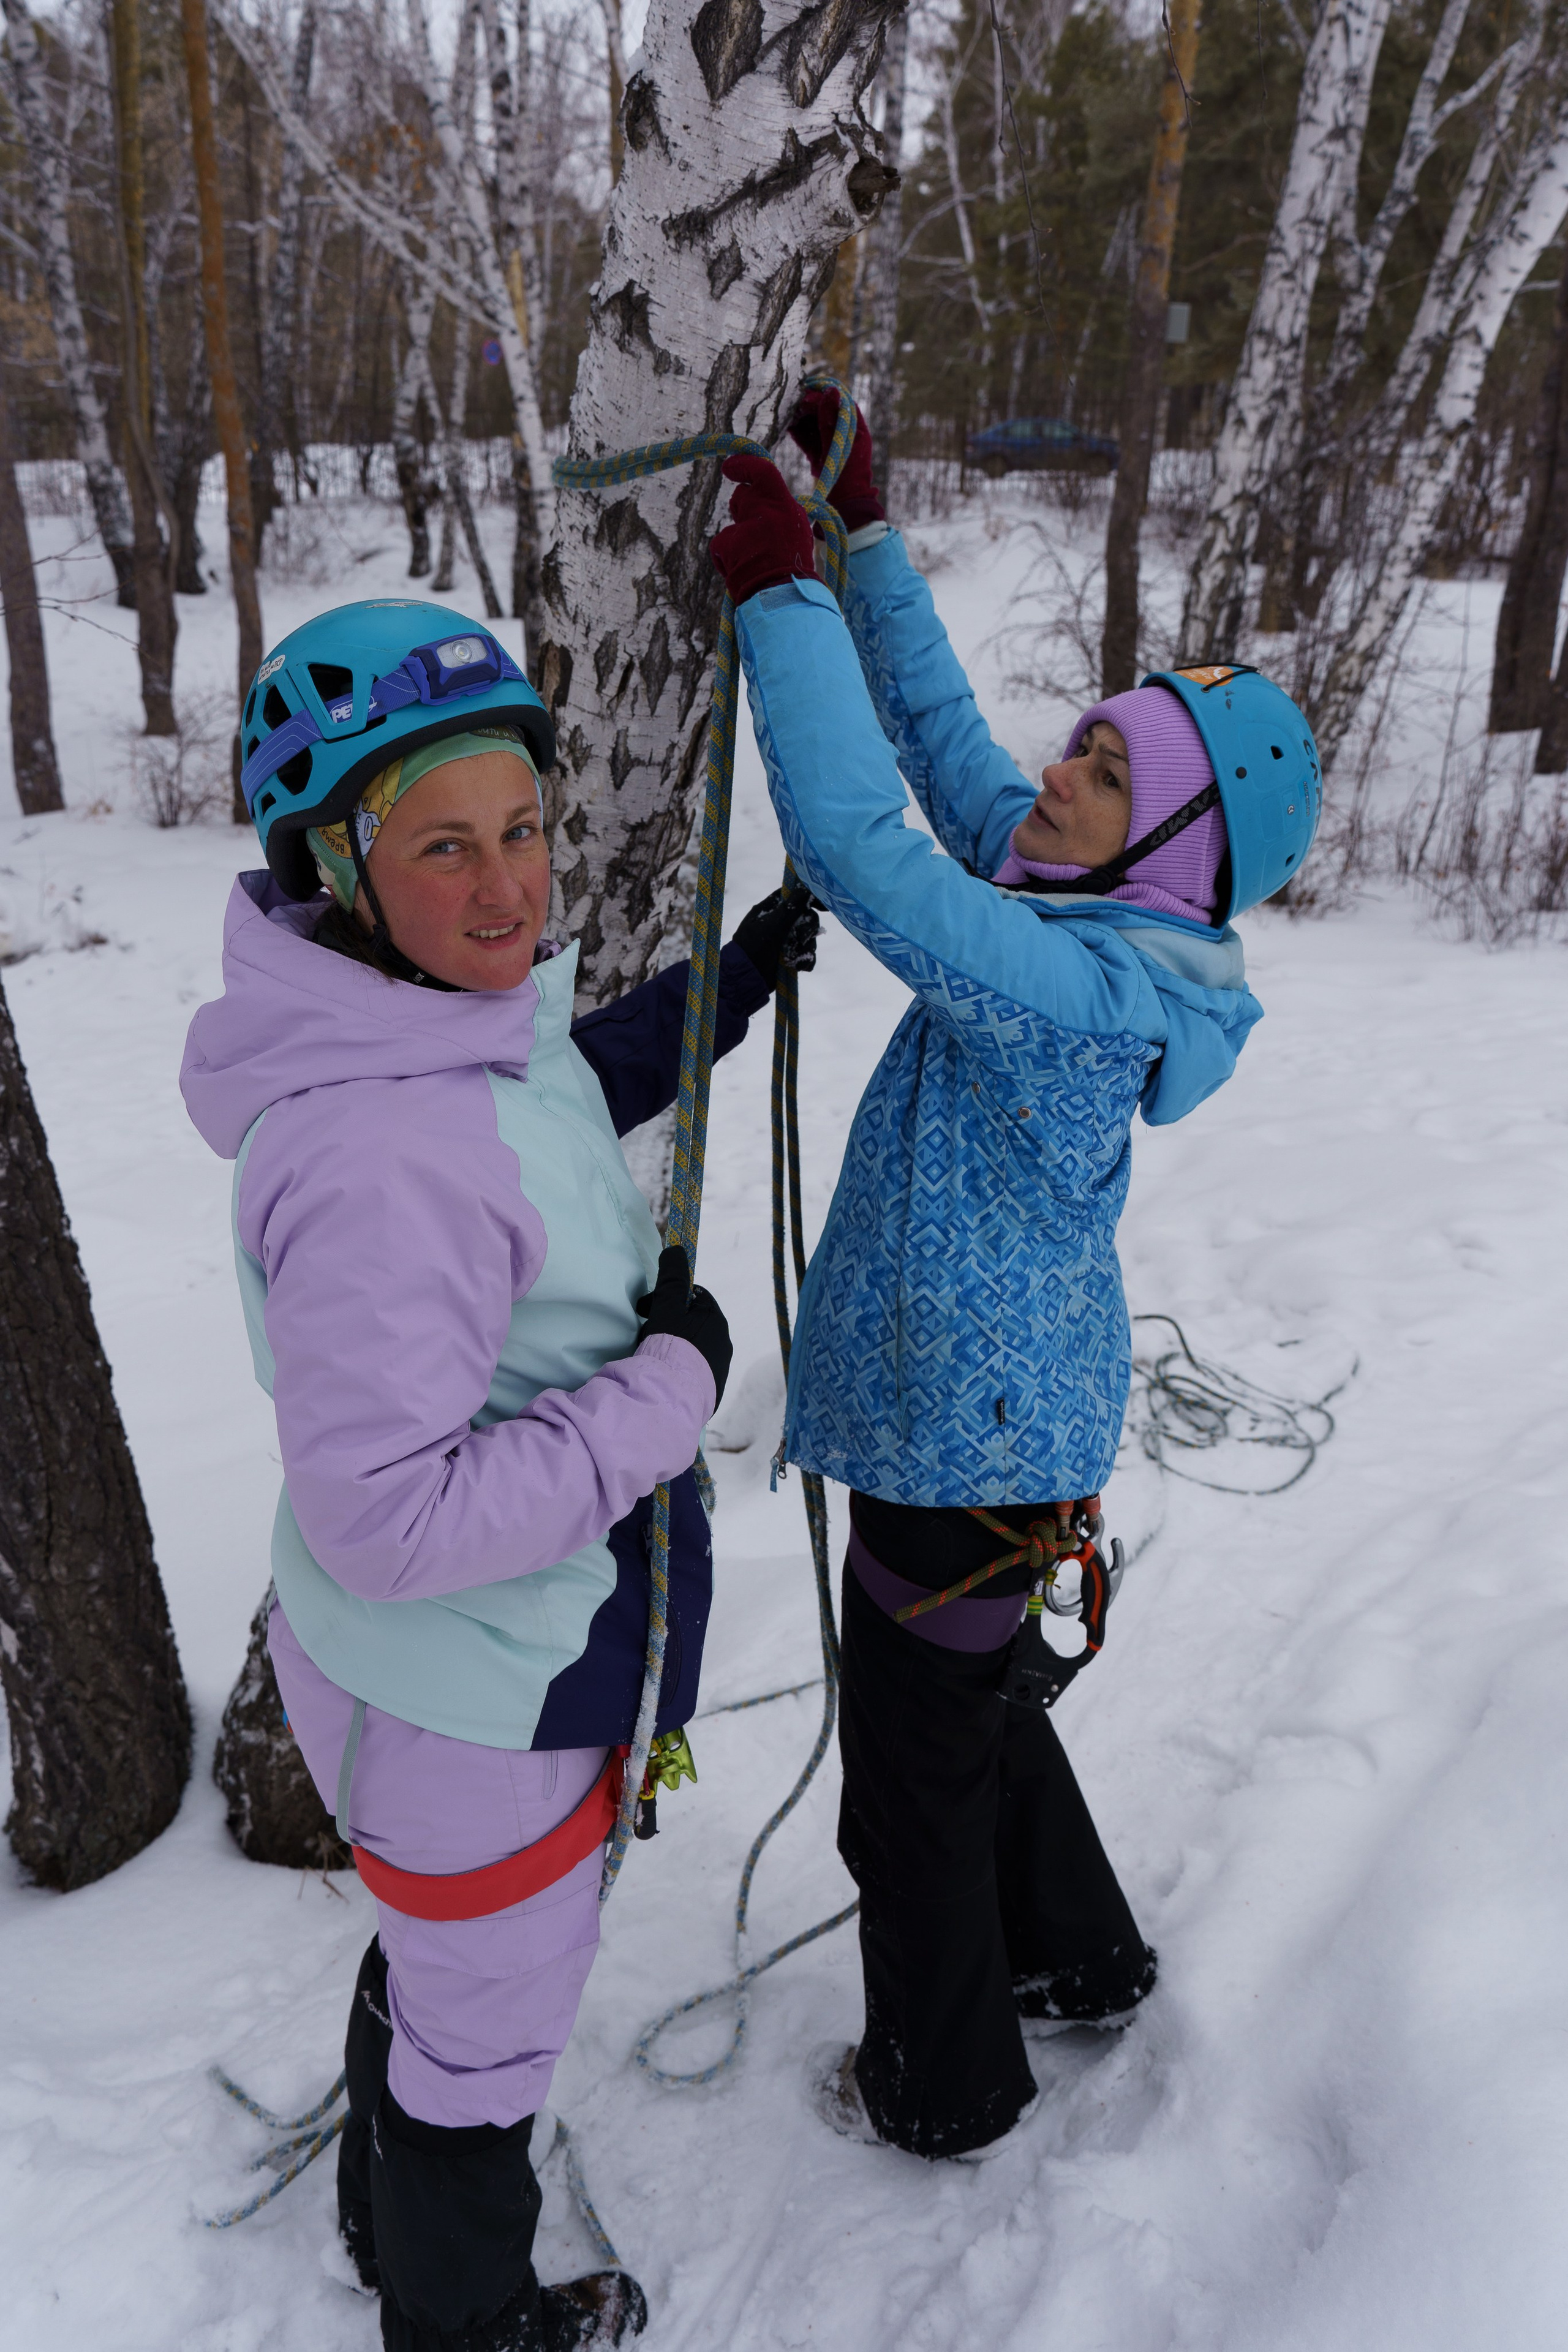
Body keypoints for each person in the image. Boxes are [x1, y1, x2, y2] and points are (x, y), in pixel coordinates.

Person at [180, 600, 818, 2350]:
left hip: (445, 1680)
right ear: (337, 866)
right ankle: (461, 2321)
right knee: (483, 2052)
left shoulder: (417, 1027)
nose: (509, 888)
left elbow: (544, 1093)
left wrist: (716, 998)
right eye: (444, 847)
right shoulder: (383, 1155)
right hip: (485, 1694)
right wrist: (672, 1385)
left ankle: (385, 2229)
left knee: (438, 1969)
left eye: (523, 827)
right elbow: (394, 1520)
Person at [707, 399, 1321, 2162]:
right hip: (992, 1432)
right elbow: (949, 752)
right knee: (964, 1721)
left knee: (910, 1789)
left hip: (959, 1452)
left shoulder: (1080, 997)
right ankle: (1080, 1957)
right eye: (1088, 743)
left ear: (1174, 846)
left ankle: (945, 2090)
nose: (1062, 776)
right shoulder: (1088, 907)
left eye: (1110, 775)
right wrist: (868, 547)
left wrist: (779, 596)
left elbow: (867, 855)